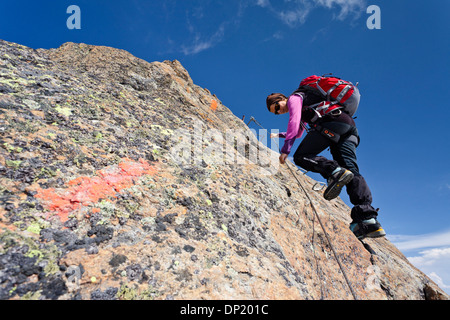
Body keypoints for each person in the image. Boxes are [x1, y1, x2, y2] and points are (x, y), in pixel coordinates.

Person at [266, 83, 386, 240]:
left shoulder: (294, 98)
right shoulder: (305, 105)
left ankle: (334, 172)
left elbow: (293, 125)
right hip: (347, 127)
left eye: (276, 107)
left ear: (281, 99)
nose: (278, 112)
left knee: (301, 157)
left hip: (331, 122)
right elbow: (298, 133)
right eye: (275, 113)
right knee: (350, 169)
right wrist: (279, 135)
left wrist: (285, 151)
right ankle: (367, 219)